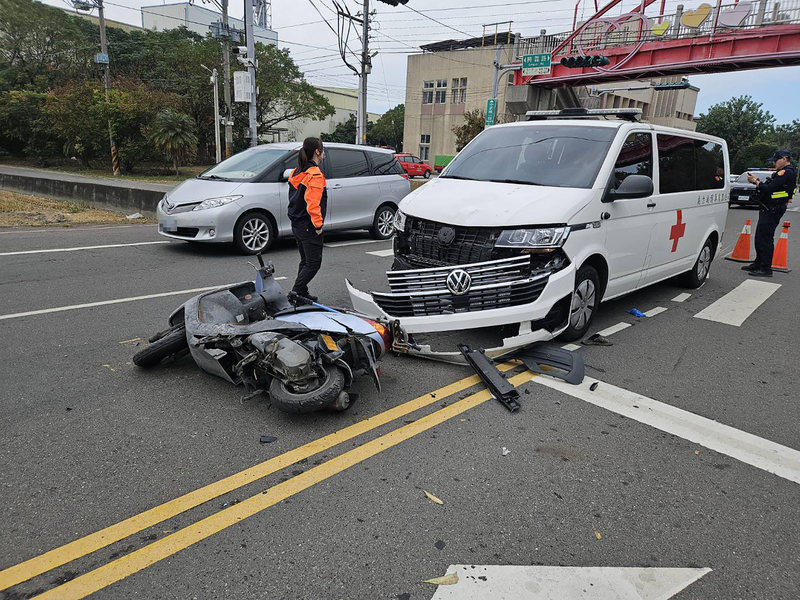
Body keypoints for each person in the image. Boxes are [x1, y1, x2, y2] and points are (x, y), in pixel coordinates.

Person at [743, 150, 796, 277]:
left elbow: (769, 188)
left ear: (784, 159)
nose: (774, 162)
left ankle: (766, 268)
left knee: (765, 238)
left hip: (773, 209)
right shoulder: (781, 173)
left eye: (775, 160)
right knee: (760, 237)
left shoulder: (786, 172)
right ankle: (758, 263)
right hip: (768, 207)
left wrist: (755, 182)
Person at [287, 137, 327, 302]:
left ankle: (301, 292)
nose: (324, 154)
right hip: (309, 226)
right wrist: (318, 225)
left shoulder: (296, 171)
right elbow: (312, 204)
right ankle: (295, 293)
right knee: (313, 263)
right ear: (317, 152)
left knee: (305, 261)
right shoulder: (314, 175)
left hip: (297, 224)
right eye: (323, 150)